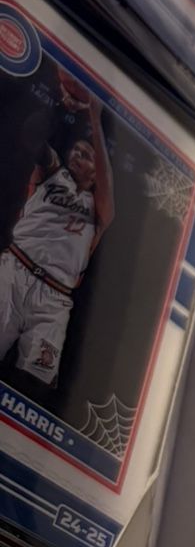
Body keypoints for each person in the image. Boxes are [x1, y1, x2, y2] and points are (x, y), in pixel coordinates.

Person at [0, 70, 113, 388]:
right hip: (13, 274)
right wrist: (61, 105)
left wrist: (95, 117)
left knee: (35, 384)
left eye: (87, 155)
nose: (77, 154)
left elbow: (107, 179)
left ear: (95, 171)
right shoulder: (52, 172)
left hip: (54, 300)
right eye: (77, 150)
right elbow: (31, 136)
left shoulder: (100, 208)